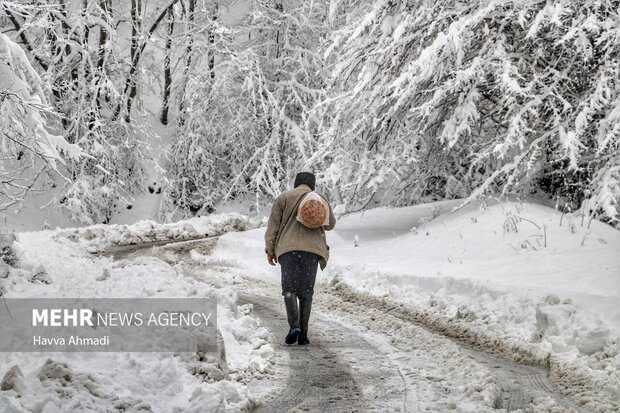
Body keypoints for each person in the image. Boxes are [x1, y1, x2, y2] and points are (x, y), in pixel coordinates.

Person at [264, 172, 336, 345]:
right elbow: (331, 224)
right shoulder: (320, 198)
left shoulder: (284, 198)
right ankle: (303, 335)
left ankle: (294, 325)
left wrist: (270, 250)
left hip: (289, 250)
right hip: (312, 252)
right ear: (313, 185)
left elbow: (272, 227)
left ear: (296, 183)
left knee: (289, 288)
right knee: (306, 292)